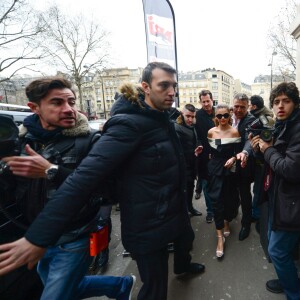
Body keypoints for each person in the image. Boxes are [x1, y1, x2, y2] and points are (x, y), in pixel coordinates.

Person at [0, 62, 205, 300]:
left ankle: (183, 265)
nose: (172, 92)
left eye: (174, 86)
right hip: (147, 226)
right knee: (154, 288)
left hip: (173, 211)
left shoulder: (163, 117)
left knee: (184, 243)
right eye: (164, 85)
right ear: (146, 87)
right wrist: (38, 237)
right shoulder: (128, 125)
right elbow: (84, 180)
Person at [0, 77, 135, 300]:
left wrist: (52, 170)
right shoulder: (22, 142)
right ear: (34, 108)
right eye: (57, 103)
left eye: (71, 102)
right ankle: (119, 285)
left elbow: (109, 190)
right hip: (35, 236)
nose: (68, 109)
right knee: (68, 289)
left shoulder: (90, 141)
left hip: (74, 237)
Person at [251, 82, 300, 299]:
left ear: (295, 104)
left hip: (290, 202)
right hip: (278, 198)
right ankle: (288, 279)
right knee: (276, 245)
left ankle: (293, 291)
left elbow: (290, 169)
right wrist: (259, 150)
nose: (280, 106)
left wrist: (267, 149)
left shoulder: (297, 127)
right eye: (276, 102)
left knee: (277, 251)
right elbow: (274, 159)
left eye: (286, 101)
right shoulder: (283, 124)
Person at [207, 104, 241, 259]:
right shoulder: (211, 132)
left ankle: (227, 221)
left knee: (230, 199)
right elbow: (211, 152)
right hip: (215, 169)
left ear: (230, 115)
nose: (222, 119)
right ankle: (219, 237)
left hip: (230, 170)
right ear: (215, 116)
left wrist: (233, 158)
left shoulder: (234, 132)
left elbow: (238, 152)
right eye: (219, 116)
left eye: (225, 115)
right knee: (216, 201)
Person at [232, 93, 256, 241]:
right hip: (230, 163)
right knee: (232, 192)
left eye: (242, 107)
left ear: (248, 106)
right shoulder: (227, 117)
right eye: (236, 106)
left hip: (244, 165)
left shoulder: (251, 121)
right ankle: (233, 211)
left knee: (245, 195)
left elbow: (249, 139)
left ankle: (246, 223)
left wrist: (245, 152)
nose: (239, 109)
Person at [248, 95, 274, 227]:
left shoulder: (266, 119)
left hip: (266, 161)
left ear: (254, 106)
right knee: (259, 190)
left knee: (259, 190)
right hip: (262, 158)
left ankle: (257, 215)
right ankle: (258, 214)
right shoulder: (262, 116)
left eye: (249, 105)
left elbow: (268, 136)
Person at [174, 103, 203, 216]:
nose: (191, 119)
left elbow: (196, 139)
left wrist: (198, 146)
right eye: (188, 116)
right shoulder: (176, 127)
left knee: (190, 188)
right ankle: (183, 212)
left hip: (191, 165)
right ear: (182, 114)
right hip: (182, 167)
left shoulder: (192, 127)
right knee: (183, 190)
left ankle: (190, 208)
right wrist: (193, 151)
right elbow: (177, 150)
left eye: (193, 116)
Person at [194, 89, 215, 223]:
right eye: (203, 102)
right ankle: (210, 211)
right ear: (200, 102)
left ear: (212, 100)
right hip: (204, 158)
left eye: (208, 101)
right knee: (206, 185)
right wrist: (199, 145)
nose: (206, 104)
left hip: (219, 155)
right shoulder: (197, 116)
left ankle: (220, 208)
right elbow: (195, 135)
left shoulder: (219, 113)